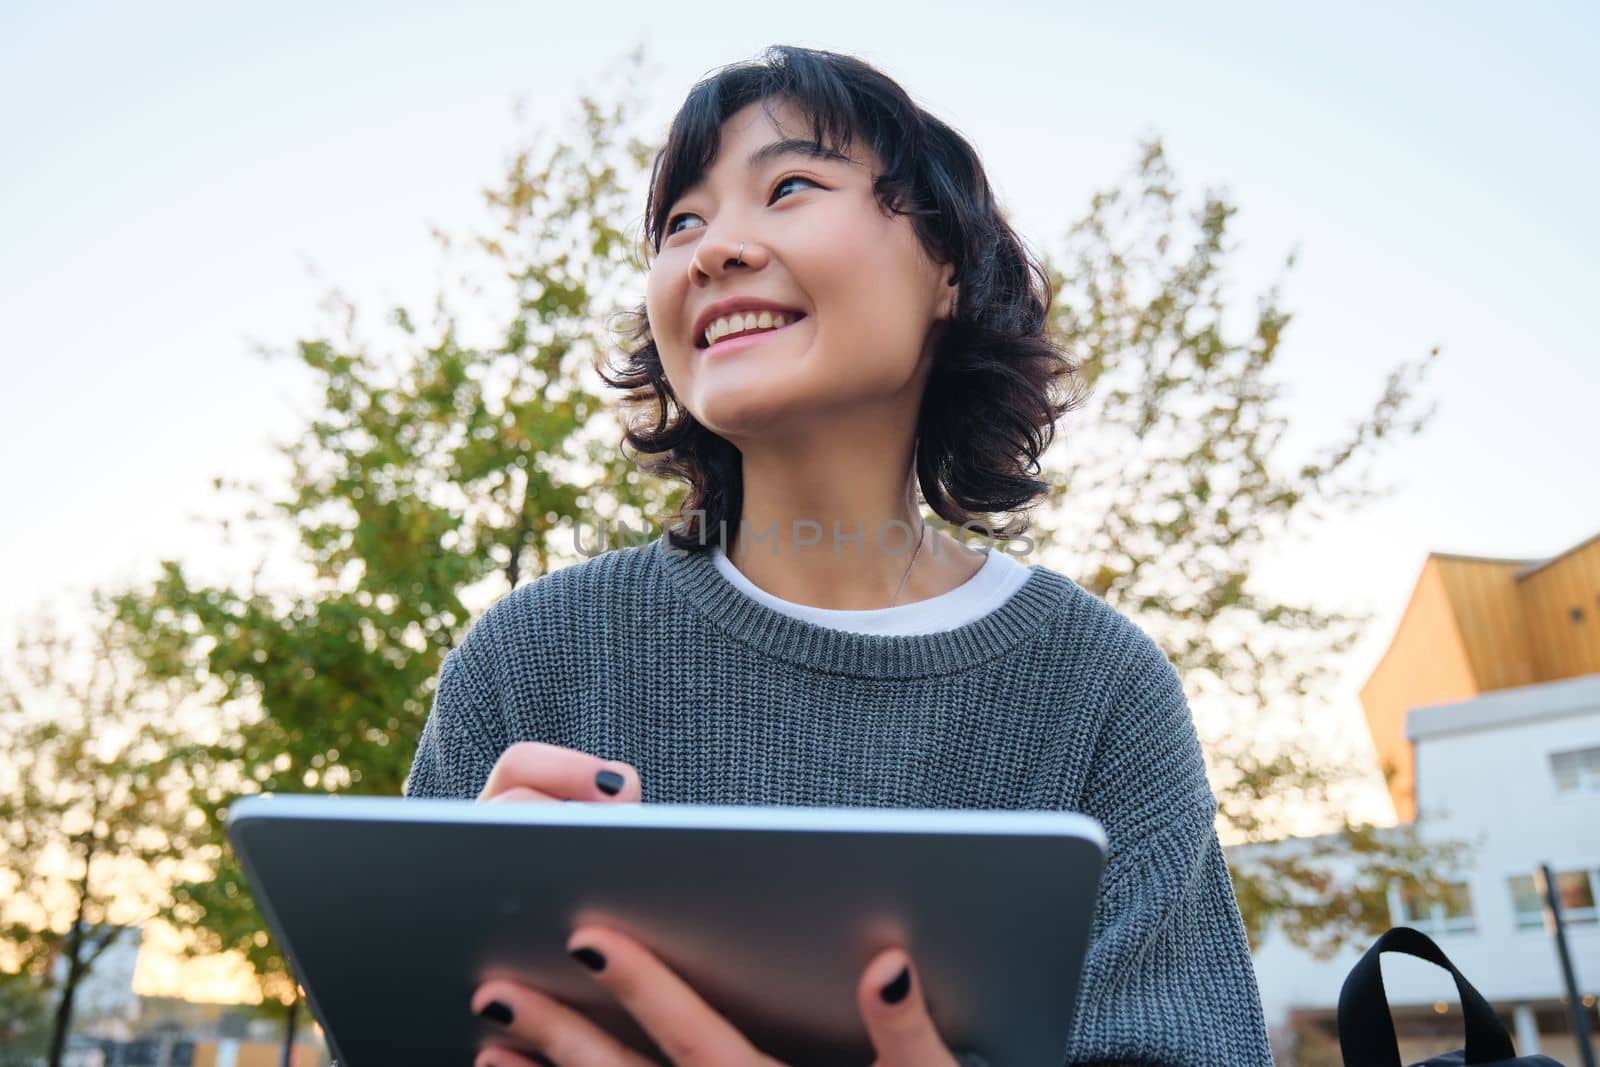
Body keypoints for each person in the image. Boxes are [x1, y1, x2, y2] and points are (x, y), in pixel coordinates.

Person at [405, 44, 1274, 1067]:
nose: (712, 249)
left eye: (788, 186)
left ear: (946, 268)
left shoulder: (1100, 688)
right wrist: (448, 952)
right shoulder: (526, 657)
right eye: (680, 221)